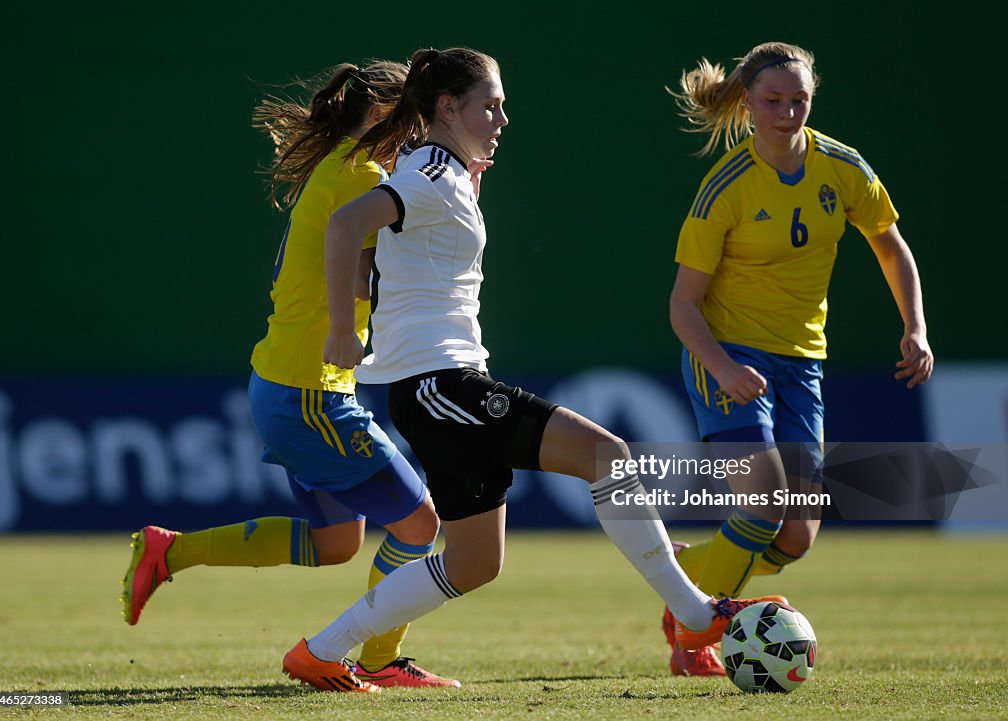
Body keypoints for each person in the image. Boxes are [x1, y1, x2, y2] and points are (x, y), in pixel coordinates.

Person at [270, 46, 784, 692]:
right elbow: (346, 224)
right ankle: (695, 614)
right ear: (448, 107)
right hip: (440, 387)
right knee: (609, 454)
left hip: (436, 388)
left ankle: (319, 650)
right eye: (491, 104)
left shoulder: (441, 171)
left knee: (474, 563)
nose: (503, 117)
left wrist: (462, 183)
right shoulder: (428, 171)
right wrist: (345, 331)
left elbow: (407, 251)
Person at [120, 60, 460, 691]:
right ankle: (379, 660)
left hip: (284, 384)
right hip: (311, 393)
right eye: (412, 110)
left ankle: (171, 551)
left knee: (337, 544)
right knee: (421, 527)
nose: (421, 125)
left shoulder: (342, 168)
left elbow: (366, 273)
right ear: (385, 113)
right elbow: (380, 273)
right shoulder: (364, 174)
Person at [660, 41, 934, 676]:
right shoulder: (725, 185)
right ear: (749, 104)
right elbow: (682, 305)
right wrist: (724, 368)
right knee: (761, 501)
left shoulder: (843, 168)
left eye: (799, 100)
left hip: (801, 363)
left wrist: (915, 328)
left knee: (795, 536)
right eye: (772, 101)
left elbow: (891, 248)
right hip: (725, 356)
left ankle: (683, 572)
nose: (787, 113)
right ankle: (691, 638)